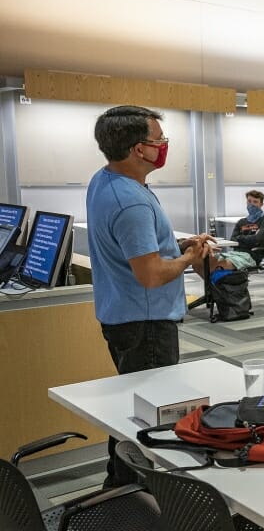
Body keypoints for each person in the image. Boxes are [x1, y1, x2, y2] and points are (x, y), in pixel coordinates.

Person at [87, 105, 213, 487]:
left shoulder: (104, 180)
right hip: (146, 325)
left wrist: (174, 246)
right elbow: (151, 274)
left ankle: (120, 487)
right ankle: (134, 496)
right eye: (159, 141)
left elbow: (138, 252)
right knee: (148, 418)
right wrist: (191, 256)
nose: (164, 146)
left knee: (132, 409)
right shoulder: (132, 202)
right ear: (138, 149)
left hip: (121, 314)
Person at [193, 190, 264, 276]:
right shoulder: (241, 222)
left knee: (214, 266)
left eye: (255, 202)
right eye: (249, 201)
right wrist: (250, 238)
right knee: (197, 264)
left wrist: (240, 238)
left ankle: (217, 287)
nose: (251, 204)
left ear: (261, 204)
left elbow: (257, 240)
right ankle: (216, 287)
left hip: (251, 256)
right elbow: (233, 240)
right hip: (234, 254)